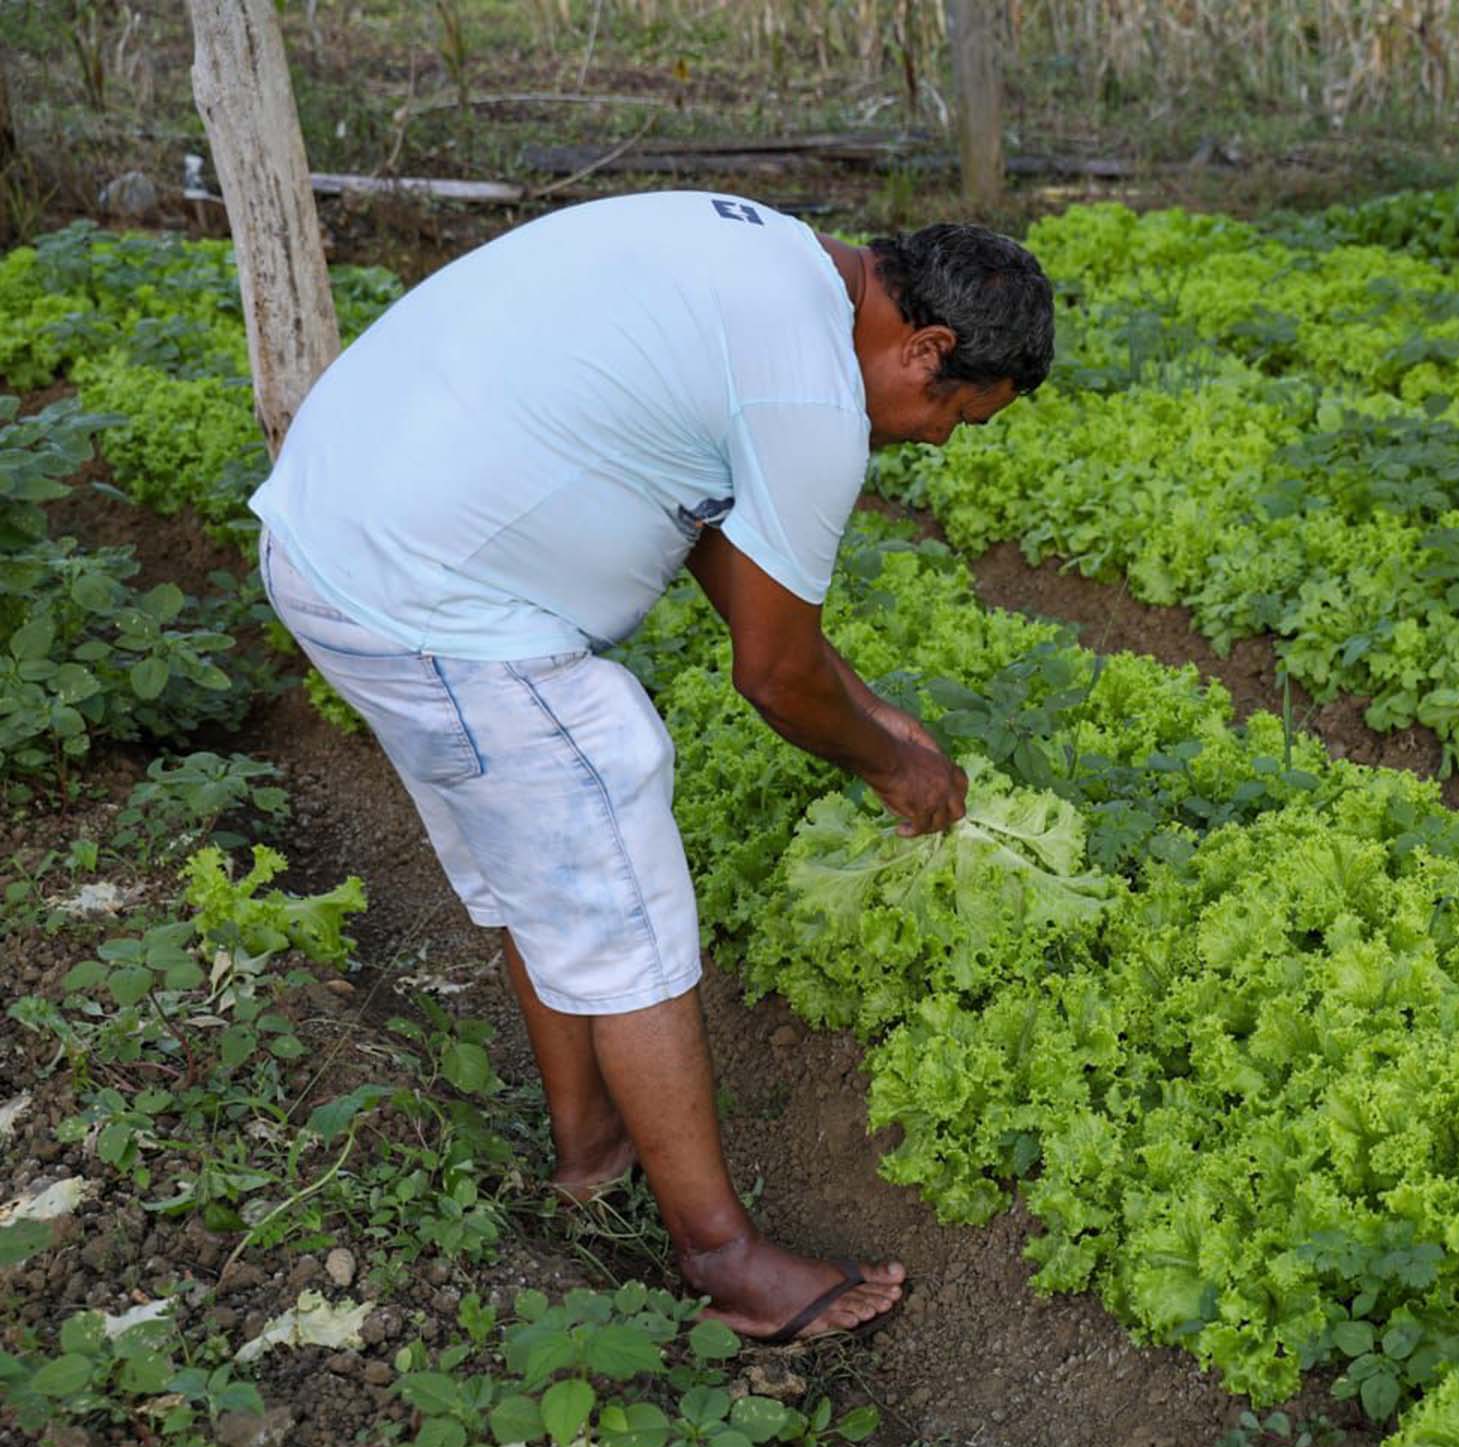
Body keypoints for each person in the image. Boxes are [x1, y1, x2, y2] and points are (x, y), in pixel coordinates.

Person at [249, 192, 1053, 1343]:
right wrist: (894, 768)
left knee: (550, 870)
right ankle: (724, 1260)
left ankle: (591, 1155)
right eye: (959, 417)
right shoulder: (813, 394)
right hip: (435, 594)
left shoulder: (781, 264)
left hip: (342, 538)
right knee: (609, 839)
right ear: (926, 351)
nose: (935, 444)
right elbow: (774, 677)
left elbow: (728, 538)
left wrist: (868, 704)